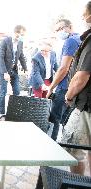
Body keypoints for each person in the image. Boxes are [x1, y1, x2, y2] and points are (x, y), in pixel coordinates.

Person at [61, 1, 91, 175]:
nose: (82, 17)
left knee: (73, 151)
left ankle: (77, 184)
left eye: (84, 14)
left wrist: (69, 94)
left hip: (85, 106)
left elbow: (82, 76)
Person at [46, 19, 81, 141]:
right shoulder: (80, 39)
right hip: (75, 87)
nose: (59, 32)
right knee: (66, 120)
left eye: (61, 28)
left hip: (64, 87)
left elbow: (63, 68)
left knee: (54, 118)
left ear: (70, 27)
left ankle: (50, 147)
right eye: (57, 30)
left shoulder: (71, 41)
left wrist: (51, 87)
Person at [0, 25, 28, 114]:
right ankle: (2, 112)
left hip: (14, 71)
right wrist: (5, 72)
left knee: (17, 91)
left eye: (23, 35)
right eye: (21, 34)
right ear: (16, 33)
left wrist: (25, 69)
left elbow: (21, 56)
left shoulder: (20, 43)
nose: (22, 36)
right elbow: (1, 57)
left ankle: (14, 112)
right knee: (3, 92)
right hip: (4, 71)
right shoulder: (5, 41)